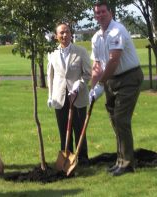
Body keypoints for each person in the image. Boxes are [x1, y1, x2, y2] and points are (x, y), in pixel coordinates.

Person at [89, 1, 143, 176]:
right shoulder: (96, 37)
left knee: (121, 119)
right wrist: (91, 89)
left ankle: (127, 163)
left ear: (110, 12)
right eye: (97, 13)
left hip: (128, 77)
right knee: (114, 120)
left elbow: (113, 61)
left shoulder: (116, 30)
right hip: (111, 79)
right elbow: (97, 65)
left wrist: (100, 84)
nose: (100, 15)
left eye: (103, 11)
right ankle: (120, 160)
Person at [47, 23, 92, 166]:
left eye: (67, 32)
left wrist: (79, 85)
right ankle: (67, 157)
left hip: (77, 97)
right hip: (59, 97)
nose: (64, 35)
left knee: (79, 129)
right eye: (61, 33)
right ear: (56, 36)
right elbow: (51, 76)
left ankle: (83, 159)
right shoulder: (52, 54)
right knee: (63, 130)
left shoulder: (80, 51)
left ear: (71, 34)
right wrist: (50, 95)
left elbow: (87, 73)